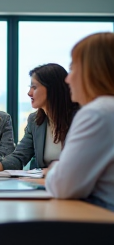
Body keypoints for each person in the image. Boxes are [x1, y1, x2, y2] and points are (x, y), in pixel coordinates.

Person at [45, 32, 114, 211]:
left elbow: (63, 187)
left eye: (73, 68)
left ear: (92, 72)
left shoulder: (96, 112)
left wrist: (54, 167)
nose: (68, 79)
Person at [0, 63, 79, 173]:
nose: (29, 93)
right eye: (30, 87)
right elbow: (18, 157)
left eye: (34, 87)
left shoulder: (80, 118)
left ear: (52, 88)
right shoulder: (35, 121)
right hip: (44, 184)